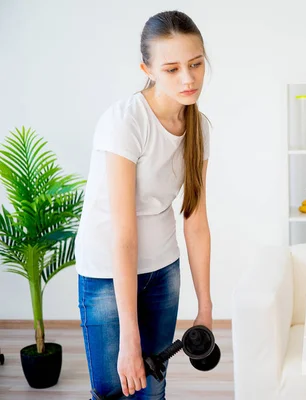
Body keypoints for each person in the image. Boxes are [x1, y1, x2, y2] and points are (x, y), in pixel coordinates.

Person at [75, 10, 213, 399]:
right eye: (172, 69)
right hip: (107, 272)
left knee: (151, 391)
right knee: (113, 392)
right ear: (147, 69)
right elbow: (123, 233)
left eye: (196, 64)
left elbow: (196, 222)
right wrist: (130, 341)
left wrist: (205, 308)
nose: (188, 78)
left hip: (161, 268)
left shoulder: (199, 128)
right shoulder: (125, 122)